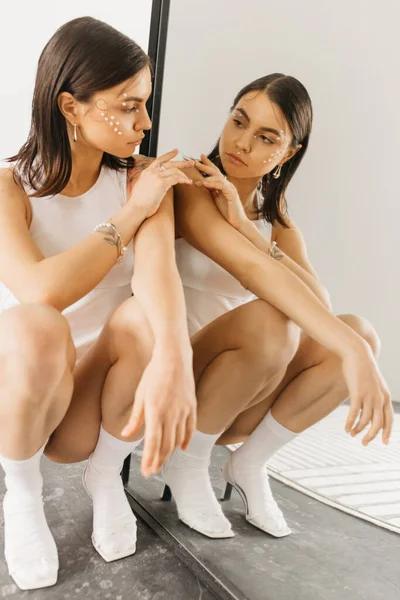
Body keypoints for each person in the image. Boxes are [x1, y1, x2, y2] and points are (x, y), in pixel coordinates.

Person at [0, 17, 196, 591]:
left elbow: (160, 281)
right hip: (25, 396)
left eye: (147, 104)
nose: (146, 122)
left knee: (147, 317)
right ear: (70, 107)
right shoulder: (10, 187)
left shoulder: (143, 179)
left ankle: (105, 475)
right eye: (129, 105)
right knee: (37, 325)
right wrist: (131, 214)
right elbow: (39, 291)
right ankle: (23, 493)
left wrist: (175, 358)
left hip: (94, 404)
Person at [159, 73, 393, 540]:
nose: (241, 143)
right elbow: (249, 271)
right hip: (175, 384)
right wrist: (355, 354)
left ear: (287, 154)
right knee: (274, 320)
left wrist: (249, 228)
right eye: (238, 121)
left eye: (265, 137)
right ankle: (183, 463)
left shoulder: (276, 220)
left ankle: (249, 463)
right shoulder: (188, 184)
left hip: (239, 394)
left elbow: (320, 303)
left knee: (359, 331)